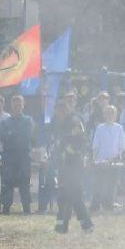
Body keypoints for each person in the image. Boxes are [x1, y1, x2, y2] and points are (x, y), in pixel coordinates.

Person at [51, 93, 93, 234]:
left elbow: (81, 141)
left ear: (67, 110)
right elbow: (56, 143)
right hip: (63, 165)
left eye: (63, 111)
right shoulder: (57, 123)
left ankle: (84, 224)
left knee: (73, 194)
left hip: (74, 164)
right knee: (65, 195)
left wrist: (66, 144)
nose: (60, 113)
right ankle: (63, 226)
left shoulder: (75, 121)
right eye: (58, 111)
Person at [0, 93, 34, 214]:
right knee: (7, 182)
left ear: (23, 105)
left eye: (20, 104)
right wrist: (16, 135)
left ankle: (27, 209)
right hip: (9, 156)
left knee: (24, 182)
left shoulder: (28, 120)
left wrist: (12, 134)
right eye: (15, 104)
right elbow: (3, 137)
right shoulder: (5, 122)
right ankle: (6, 209)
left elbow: (28, 137)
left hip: (24, 156)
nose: (17, 106)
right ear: (11, 106)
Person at [91, 104, 125, 211]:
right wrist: (95, 160)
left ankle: (108, 205)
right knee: (99, 184)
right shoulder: (100, 128)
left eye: (112, 113)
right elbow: (96, 146)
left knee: (112, 184)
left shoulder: (119, 128)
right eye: (108, 113)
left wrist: (117, 158)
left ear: (116, 115)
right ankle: (95, 206)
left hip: (114, 161)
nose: (110, 115)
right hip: (101, 162)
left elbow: (122, 147)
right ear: (104, 115)